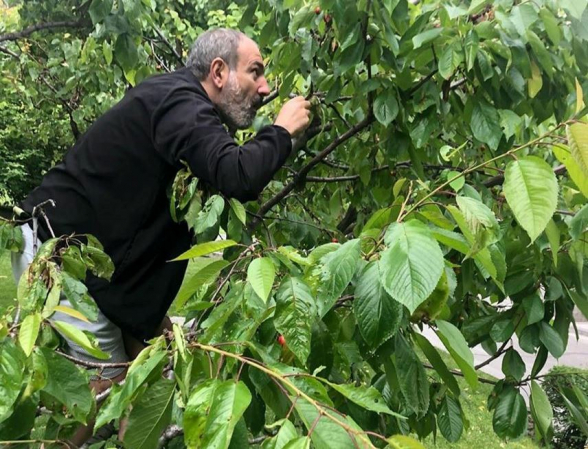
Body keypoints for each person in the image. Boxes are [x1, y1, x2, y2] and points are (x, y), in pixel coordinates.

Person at [12, 28, 311, 445]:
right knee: (103, 389)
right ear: (219, 72)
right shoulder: (181, 104)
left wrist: (286, 143)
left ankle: (137, 439)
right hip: (58, 254)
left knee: (161, 358)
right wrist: (280, 132)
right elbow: (238, 175)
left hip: (90, 257)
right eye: (256, 72)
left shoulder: (180, 107)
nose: (265, 88)